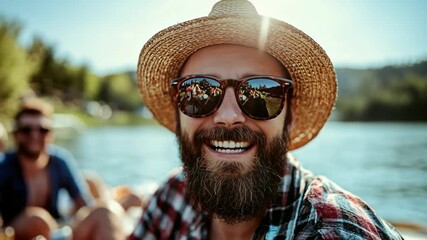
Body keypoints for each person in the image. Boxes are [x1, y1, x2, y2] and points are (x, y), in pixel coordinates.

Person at [129, 0, 404, 239]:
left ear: (291, 114)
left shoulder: (335, 232)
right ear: (178, 110)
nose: (228, 116)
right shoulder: (173, 195)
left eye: (259, 92)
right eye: (199, 92)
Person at [0, 98, 125, 240]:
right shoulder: (3, 166)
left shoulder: (60, 161)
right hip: (15, 233)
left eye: (42, 130)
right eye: (26, 130)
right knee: (37, 221)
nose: (34, 135)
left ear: (50, 135)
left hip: (57, 233)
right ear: (16, 134)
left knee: (105, 212)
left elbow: (84, 203)